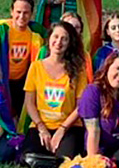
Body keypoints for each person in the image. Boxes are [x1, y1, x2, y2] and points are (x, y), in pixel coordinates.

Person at [22, 21, 91, 160]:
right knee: (29, 158)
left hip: (69, 126)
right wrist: (41, 128)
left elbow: (80, 106)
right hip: (41, 125)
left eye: (64, 39)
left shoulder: (78, 70)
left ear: (69, 43)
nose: (58, 42)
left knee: (64, 159)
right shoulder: (36, 67)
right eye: (56, 37)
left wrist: (62, 130)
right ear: (49, 39)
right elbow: (29, 103)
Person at [0, 0, 45, 119]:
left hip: (23, 81)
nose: (21, 16)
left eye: (26, 13)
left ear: (31, 14)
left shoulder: (36, 31)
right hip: (1, 80)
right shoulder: (1, 29)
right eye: (18, 12)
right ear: (11, 12)